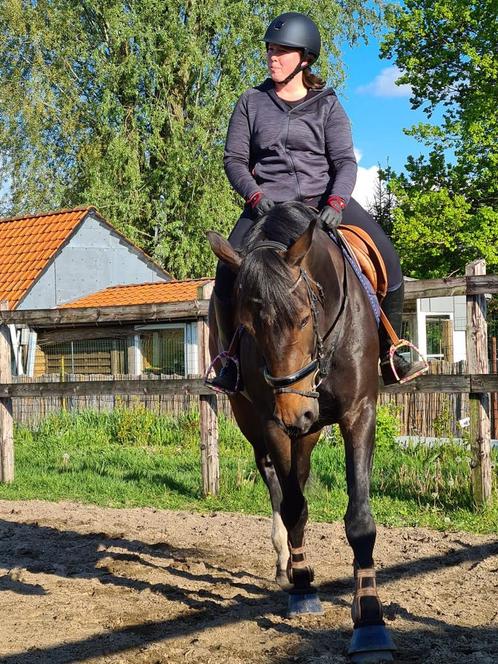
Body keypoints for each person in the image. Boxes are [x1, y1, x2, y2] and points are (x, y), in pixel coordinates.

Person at [208, 11, 426, 393]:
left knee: (388, 260)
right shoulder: (250, 102)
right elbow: (234, 160)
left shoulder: (327, 104)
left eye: (282, 51)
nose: (272, 56)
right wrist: (255, 195)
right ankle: (231, 362)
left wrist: (337, 202)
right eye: (270, 49)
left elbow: (344, 161)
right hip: (267, 208)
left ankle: (393, 351)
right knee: (226, 273)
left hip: (322, 203)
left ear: (304, 59)